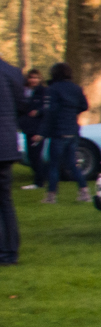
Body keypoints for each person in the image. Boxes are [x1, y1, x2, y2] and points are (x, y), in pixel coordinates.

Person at [41, 62, 89, 204]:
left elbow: (50, 112)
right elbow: (84, 105)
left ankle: (51, 194)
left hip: (59, 131)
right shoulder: (76, 88)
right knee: (73, 164)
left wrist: (43, 131)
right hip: (72, 130)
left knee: (54, 164)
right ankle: (84, 191)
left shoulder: (52, 89)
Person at [0, 55, 26, 263]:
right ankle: (9, 250)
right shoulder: (12, 72)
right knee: (5, 200)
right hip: (6, 142)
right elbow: (21, 106)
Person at [20, 68, 46, 189]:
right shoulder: (25, 91)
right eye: (31, 77)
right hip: (28, 127)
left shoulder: (43, 92)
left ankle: (39, 181)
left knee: (36, 155)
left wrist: (38, 111)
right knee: (31, 156)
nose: (33, 80)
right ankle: (40, 177)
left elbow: (48, 109)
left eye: (35, 78)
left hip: (38, 128)